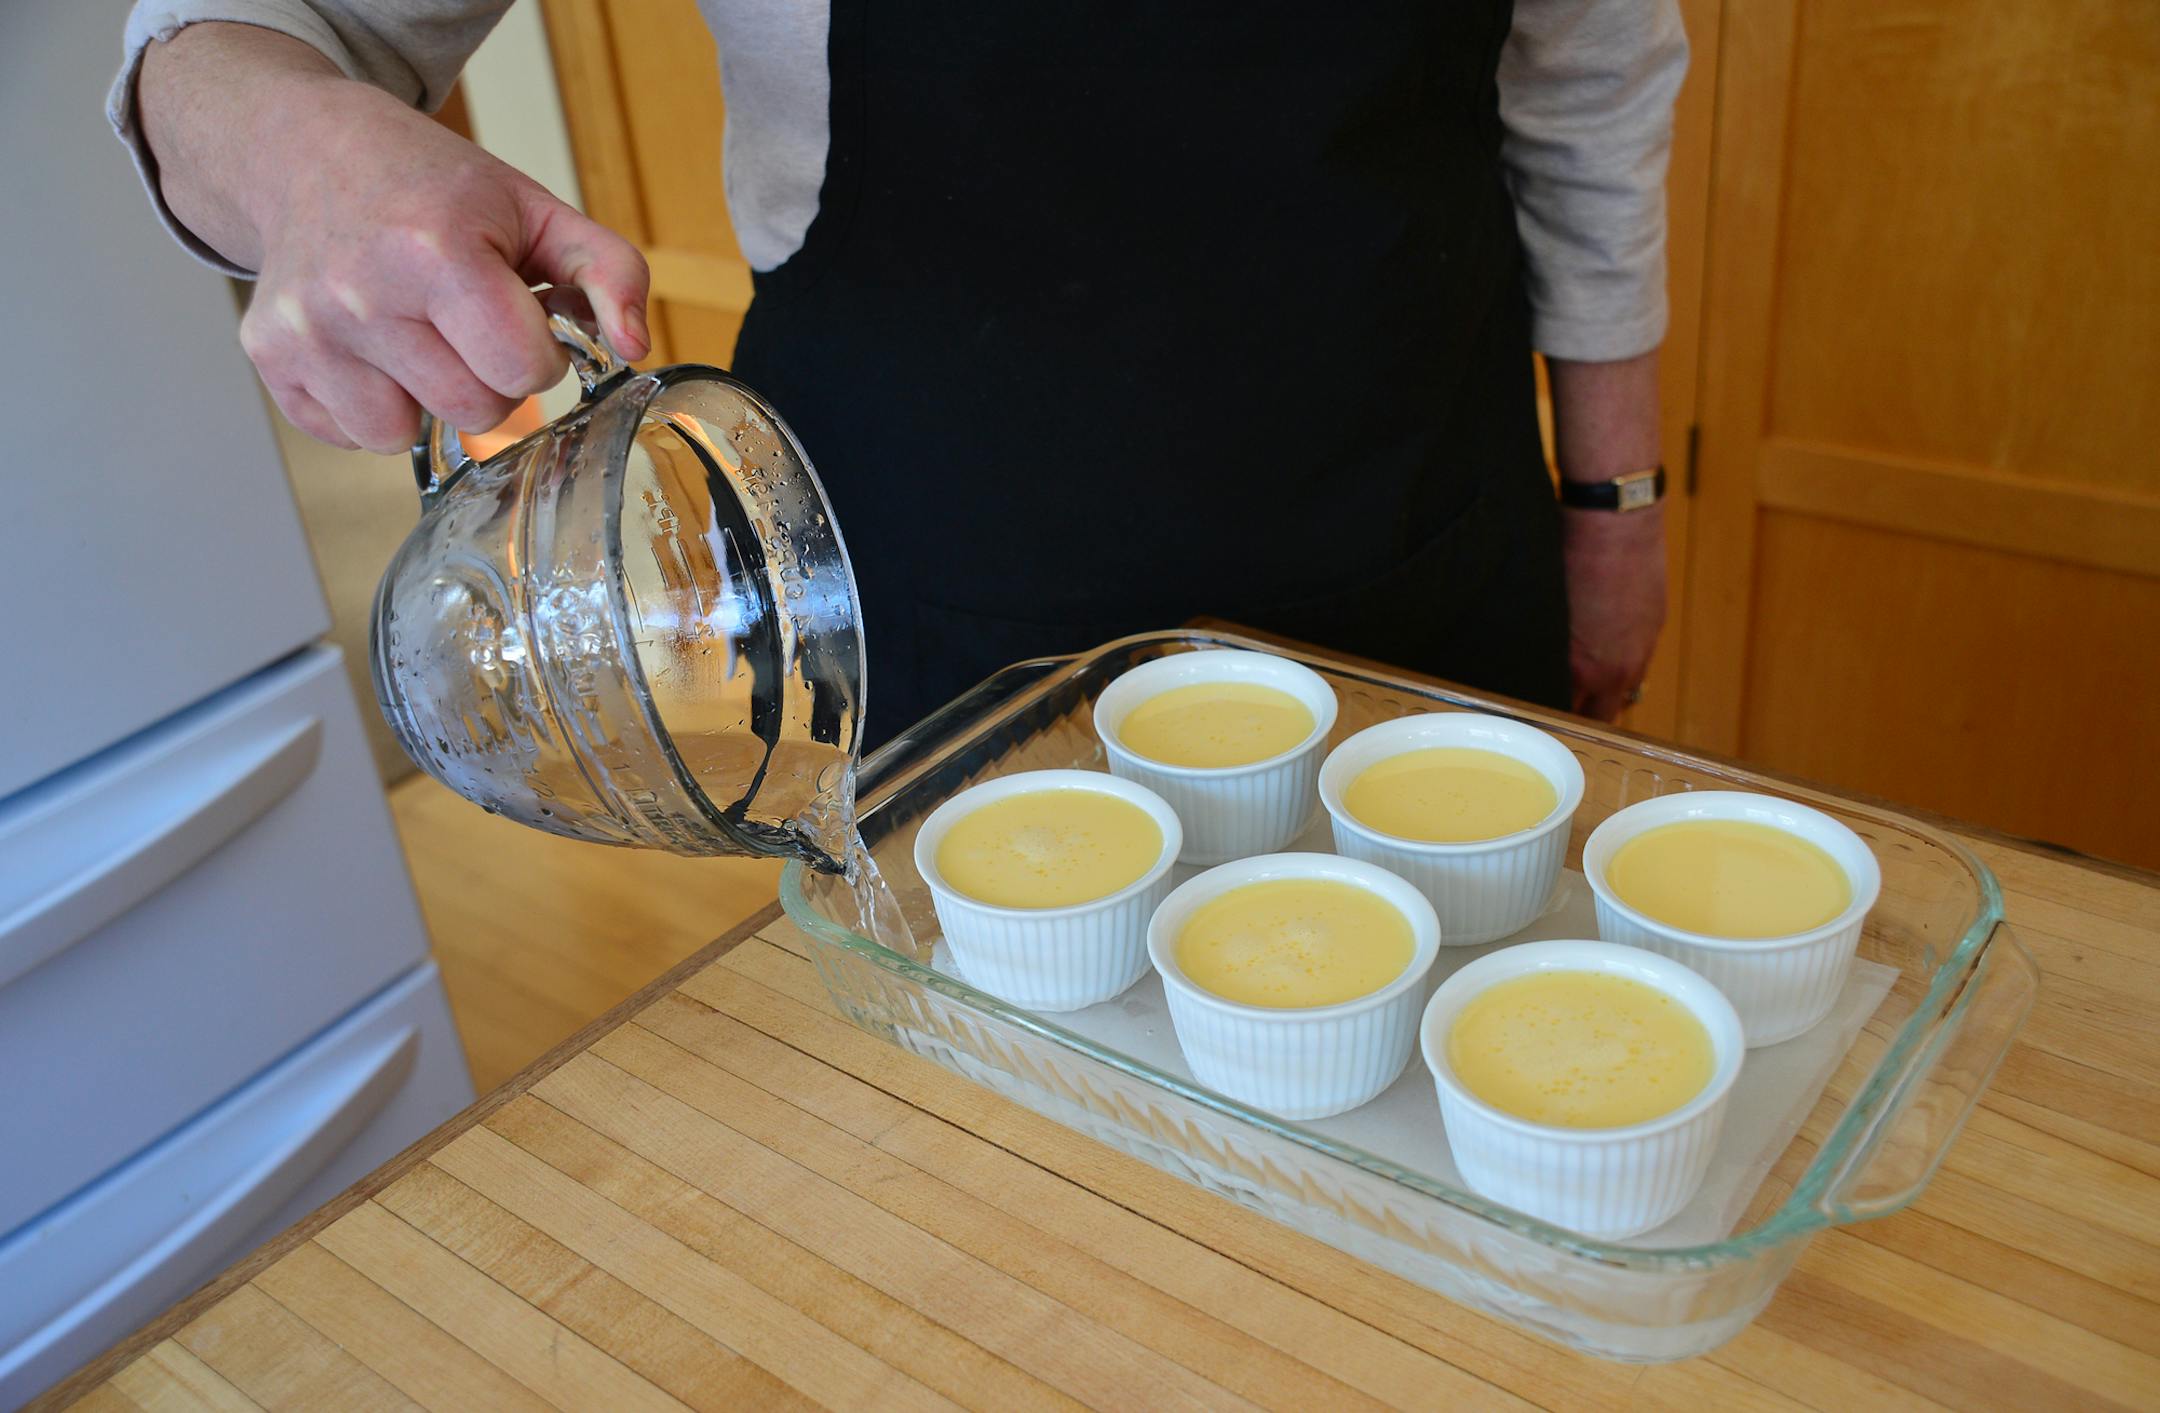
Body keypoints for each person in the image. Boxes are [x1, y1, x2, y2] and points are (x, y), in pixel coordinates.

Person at [112, 2, 1686, 741]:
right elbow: (228, 37)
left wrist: (1615, 505)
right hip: (925, 584)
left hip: (1419, 541)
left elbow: (1591, 76)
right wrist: (305, 149)